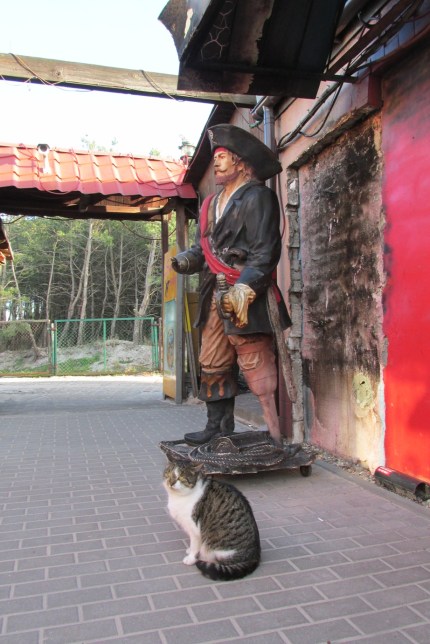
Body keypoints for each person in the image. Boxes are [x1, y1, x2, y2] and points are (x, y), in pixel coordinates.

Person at [171, 123, 291, 446]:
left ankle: (274, 433)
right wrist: (187, 259)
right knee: (212, 359)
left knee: (256, 362)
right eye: (216, 158)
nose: (217, 163)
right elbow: (204, 248)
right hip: (214, 290)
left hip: (245, 291)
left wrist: (246, 288)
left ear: (240, 161)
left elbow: (266, 252)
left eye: (222, 156)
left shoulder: (258, 197)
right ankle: (218, 427)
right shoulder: (210, 204)